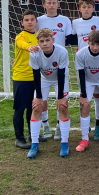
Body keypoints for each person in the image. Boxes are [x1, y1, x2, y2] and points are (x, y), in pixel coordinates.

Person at [27, 28, 70, 159]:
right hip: (43, 79)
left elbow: (61, 73)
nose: (45, 43)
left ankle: (64, 142)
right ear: (38, 43)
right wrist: (39, 97)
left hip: (60, 79)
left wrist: (61, 97)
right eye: (42, 41)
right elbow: (35, 74)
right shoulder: (34, 54)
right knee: (36, 107)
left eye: (47, 40)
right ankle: (34, 144)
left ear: (53, 40)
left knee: (62, 107)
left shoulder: (62, 52)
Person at [37, 0, 72, 141]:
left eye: (54, 2)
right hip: (43, 65)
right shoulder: (38, 21)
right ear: (44, 5)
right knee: (41, 99)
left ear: (58, 4)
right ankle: (45, 125)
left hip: (60, 64)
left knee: (62, 100)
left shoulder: (65, 20)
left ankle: (59, 126)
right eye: (48, 3)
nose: (51, 5)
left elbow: (70, 39)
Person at [74, 30, 99, 153]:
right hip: (88, 81)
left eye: (98, 44)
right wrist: (83, 94)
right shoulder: (81, 54)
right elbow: (81, 74)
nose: (95, 47)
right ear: (88, 42)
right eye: (92, 44)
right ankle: (85, 139)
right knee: (85, 105)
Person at [72, 0, 99, 141]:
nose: (86, 9)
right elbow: (73, 39)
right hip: (83, 62)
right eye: (84, 7)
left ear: (93, 8)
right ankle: (85, 128)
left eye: (89, 6)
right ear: (80, 8)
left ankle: (98, 124)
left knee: (98, 96)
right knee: (84, 97)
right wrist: (77, 48)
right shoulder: (75, 23)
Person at [12, 10, 47, 149]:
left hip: (37, 77)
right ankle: (19, 138)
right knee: (20, 108)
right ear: (22, 22)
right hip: (22, 77)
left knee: (33, 107)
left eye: (32, 19)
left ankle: (33, 135)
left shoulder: (39, 37)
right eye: (26, 20)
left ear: (36, 21)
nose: (30, 22)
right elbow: (22, 44)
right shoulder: (21, 36)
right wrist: (29, 47)